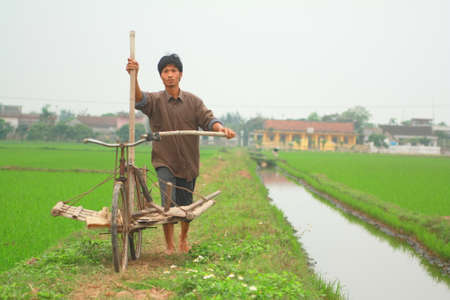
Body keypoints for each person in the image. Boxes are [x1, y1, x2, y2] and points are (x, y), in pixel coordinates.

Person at [126, 54, 235, 254]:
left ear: (180, 74)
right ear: (161, 76)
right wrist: (134, 76)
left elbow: (209, 120)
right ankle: (169, 244)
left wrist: (221, 129)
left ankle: (184, 239)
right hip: (164, 160)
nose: (169, 75)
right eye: (165, 72)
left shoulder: (193, 102)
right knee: (167, 203)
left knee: (186, 206)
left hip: (188, 163)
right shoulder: (156, 101)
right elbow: (139, 100)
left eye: (173, 71)